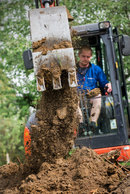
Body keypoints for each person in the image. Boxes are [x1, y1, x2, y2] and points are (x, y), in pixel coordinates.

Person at [76, 45, 112, 133]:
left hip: (91, 96)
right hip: (77, 96)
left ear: (91, 57)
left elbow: (104, 83)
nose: (85, 58)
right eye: (83, 56)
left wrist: (108, 85)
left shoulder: (96, 69)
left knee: (98, 96)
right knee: (72, 100)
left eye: (88, 57)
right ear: (79, 55)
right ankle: (80, 124)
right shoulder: (72, 70)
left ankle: (93, 123)